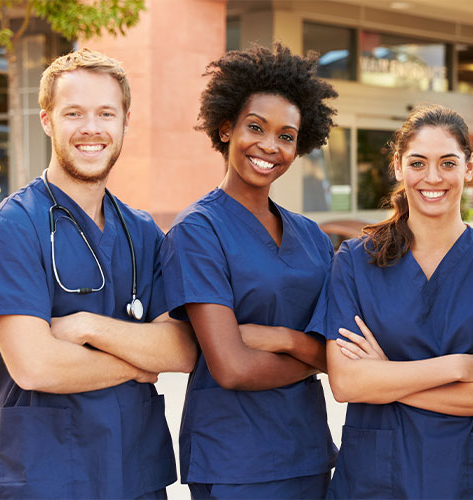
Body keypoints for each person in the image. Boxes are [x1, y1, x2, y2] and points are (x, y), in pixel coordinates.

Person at [0, 48, 198, 499]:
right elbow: (35, 365)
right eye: (74, 113)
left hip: (134, 472)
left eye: (106, 113)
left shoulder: (143, 231)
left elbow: (180, 350)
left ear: (125, 121)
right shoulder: (12, 225)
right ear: (47, 119)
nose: (91, 128)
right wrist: (136, 361)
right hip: (46, 475)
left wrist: (85, 326)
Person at [159, 43, 338, 499]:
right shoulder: (198, 231)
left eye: (286, 135)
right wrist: (313, 357)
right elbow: (232, 368)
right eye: (255, 127)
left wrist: (282, 339)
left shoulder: (312, 237)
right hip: (235, 461)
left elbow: (337, 355)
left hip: (310, 452)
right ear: (226, 128)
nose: (269, 146)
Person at [320, 104, 473, 499]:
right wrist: (458, 366)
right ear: (398, 166)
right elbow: (346, 382)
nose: (432, 178)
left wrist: (386, 379)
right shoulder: (356, 261)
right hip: (377, 477)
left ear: (469, 167)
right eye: (418, 162)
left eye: (447, 163)